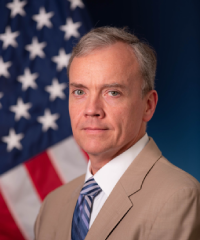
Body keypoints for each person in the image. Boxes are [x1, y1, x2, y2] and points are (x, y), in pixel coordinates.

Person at [34, 27, 200, 240]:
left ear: (148, 106)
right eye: (79, 92)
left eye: (112, 92)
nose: (91, 109)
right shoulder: (52, 205)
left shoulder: (178, 198)